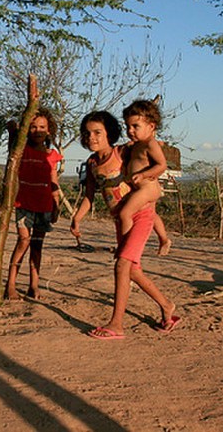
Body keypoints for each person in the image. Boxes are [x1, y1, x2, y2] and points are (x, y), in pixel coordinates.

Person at [70, 110, 179, 339]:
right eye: (87, 133)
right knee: (133, 271)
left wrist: (151, 141)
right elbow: (90, 196)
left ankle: (116, 324)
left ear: (110, 133)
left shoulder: (123, 152)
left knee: (122, 266)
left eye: (98, 132)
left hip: (141, 215)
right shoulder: (91, 164)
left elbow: (148, 147)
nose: (92, 137)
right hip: (121, 221)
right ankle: (167, 306)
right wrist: (77, 218)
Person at [4, 108, 63, 301]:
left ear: (49, 130)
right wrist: (13, 130)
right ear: (27, 129)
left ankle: (33, 285)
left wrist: (56, 204)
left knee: (37, 246)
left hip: (44, 205)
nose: (38, 130)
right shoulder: (22, 150)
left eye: (42, 127)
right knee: (23, 241)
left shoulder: (52, 154)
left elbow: (54, 182)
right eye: (33, 126)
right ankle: (10, 285)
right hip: (24, 203)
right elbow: (12, 142)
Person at [115, 100, 168, 241]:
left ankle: (126, 244)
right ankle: (164, 239)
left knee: (125, 214)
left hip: (147, 188)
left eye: (135, 126)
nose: (130, 130)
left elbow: (162, 165)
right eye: (127, 126)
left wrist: (143, 174)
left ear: (151, 126)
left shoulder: (151, 144)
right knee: (151, 214)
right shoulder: (138, 144)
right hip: (141, 188)